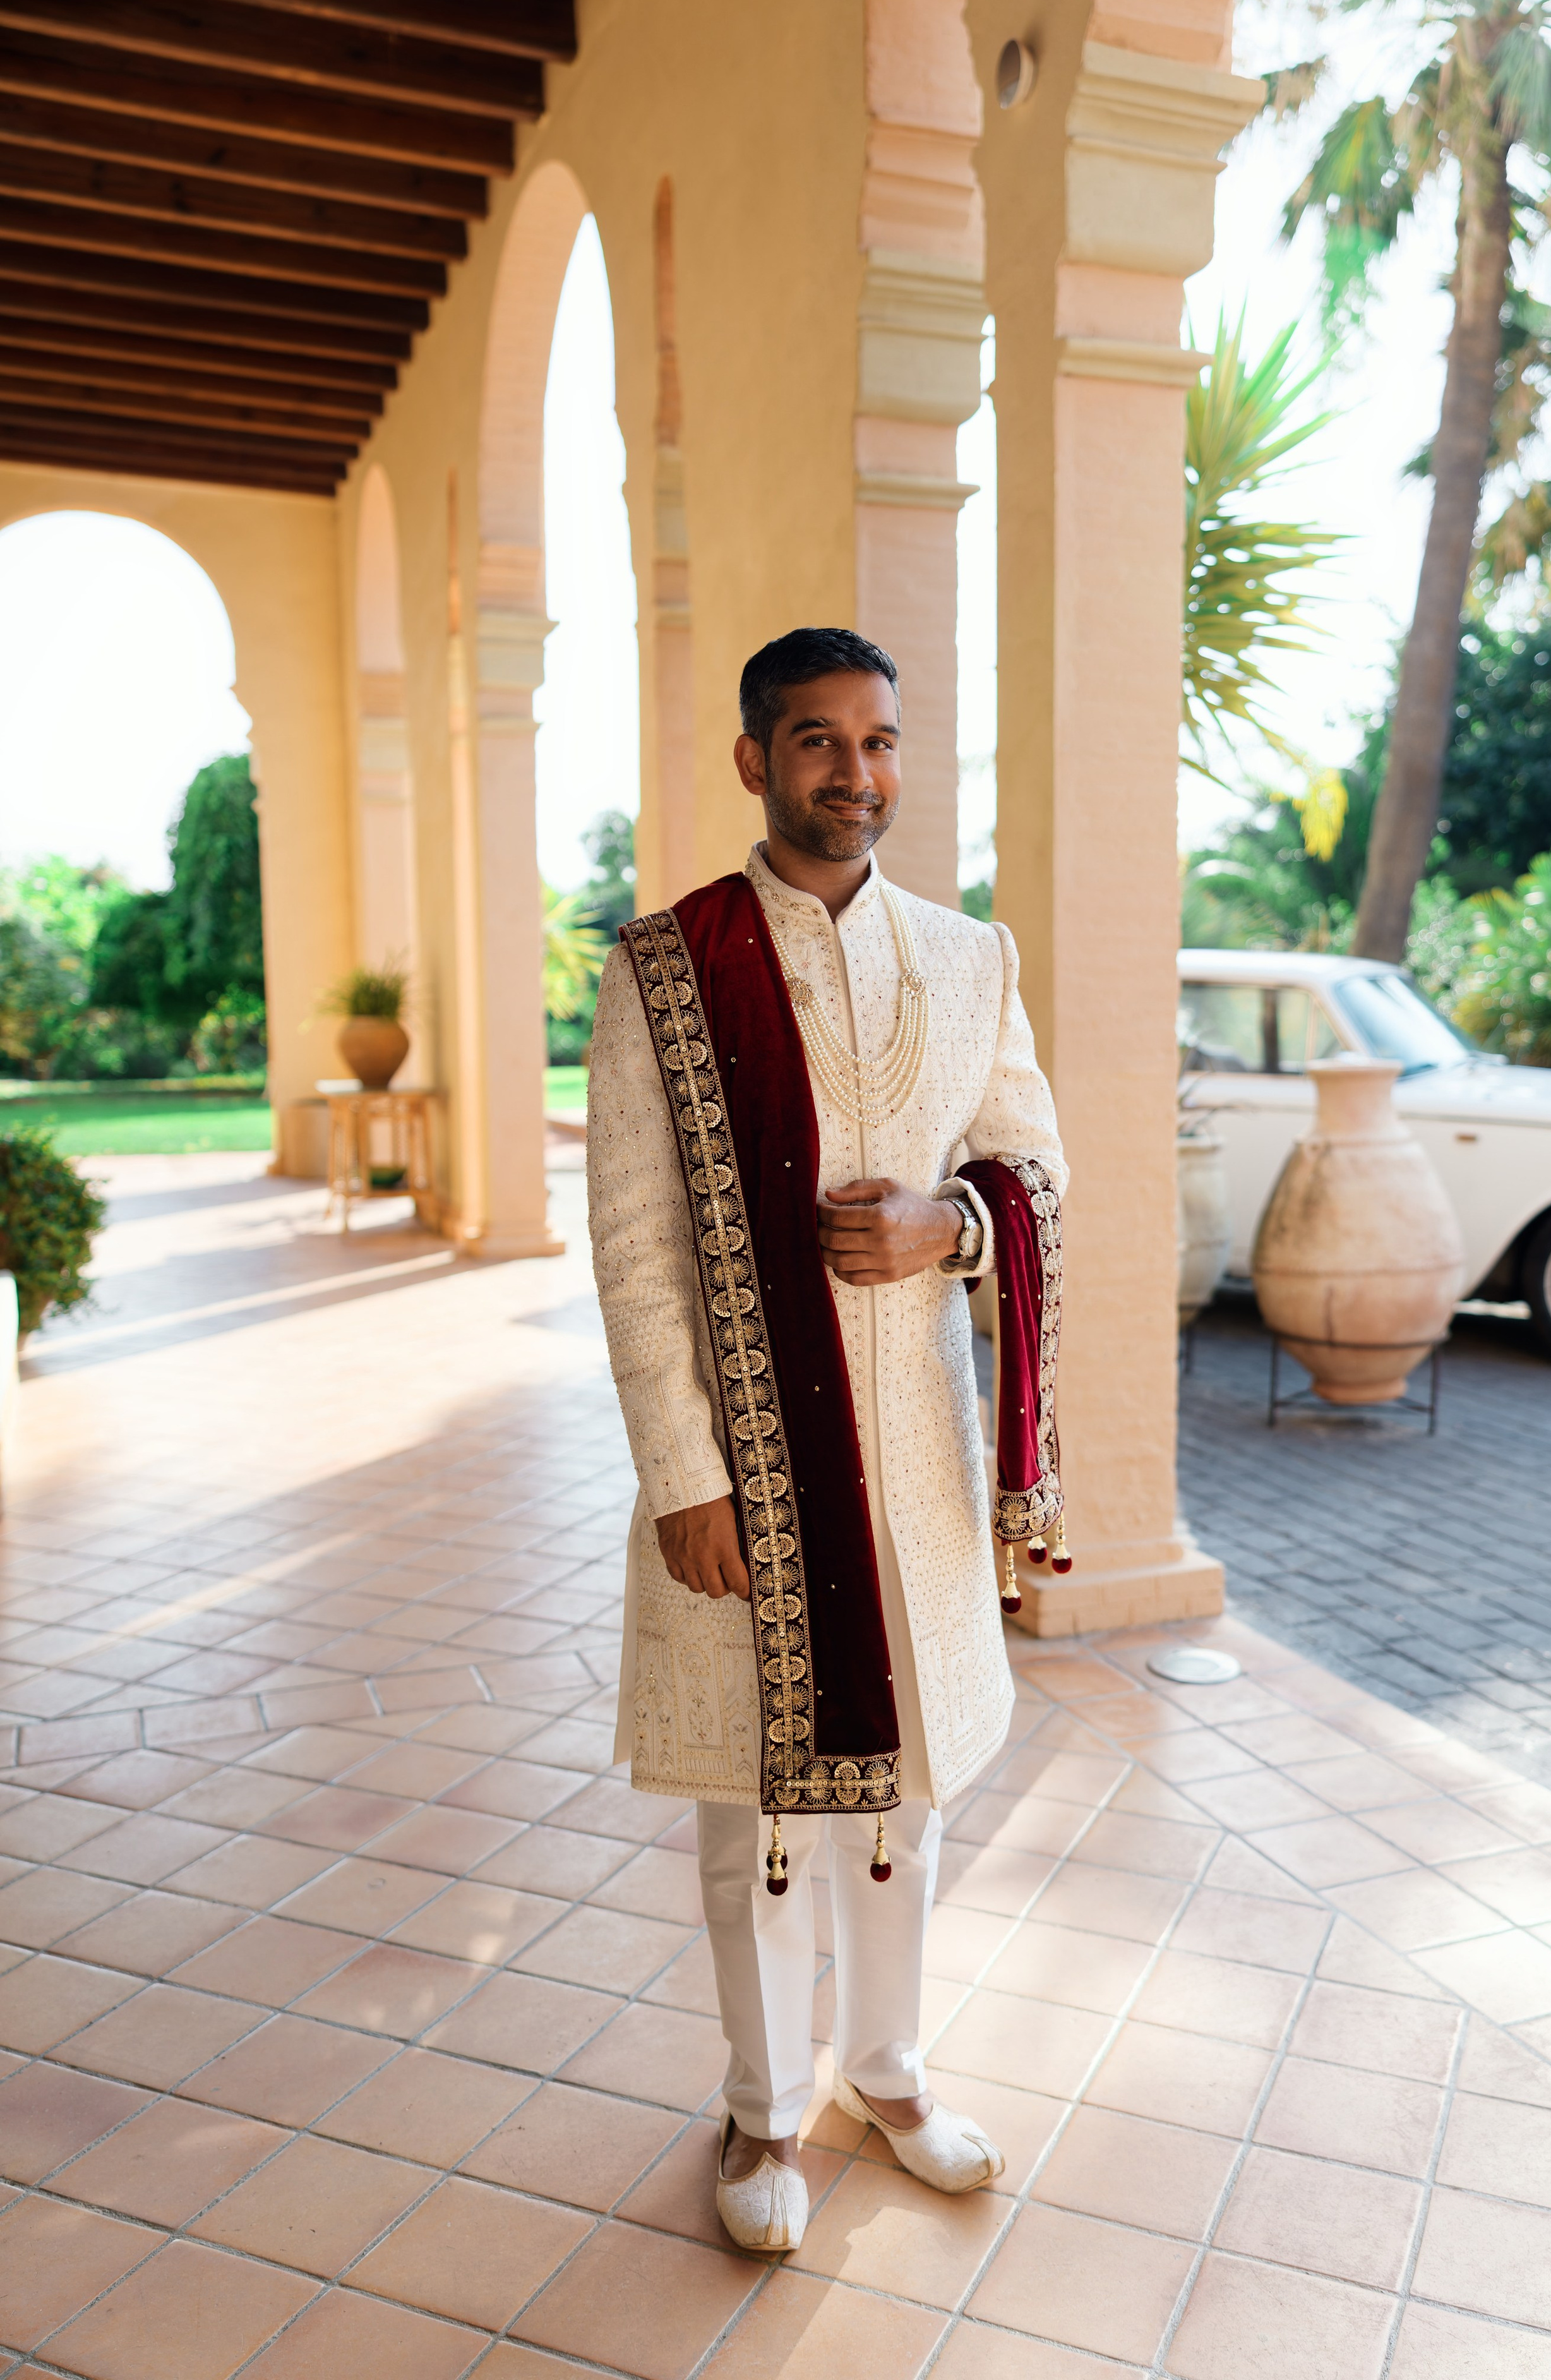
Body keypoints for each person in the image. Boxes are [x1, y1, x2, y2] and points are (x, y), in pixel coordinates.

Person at [587, 625, 1067, 2252]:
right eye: (814, 741)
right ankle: (759, 2111)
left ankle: (889, 2071)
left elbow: (1034, 1176)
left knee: (905, 1798)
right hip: (750, 1459)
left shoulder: (969, 956)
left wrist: (953, 1228)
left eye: (875, 742)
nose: (851, 774)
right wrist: (685, 1477)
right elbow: (636, 1239)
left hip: (916, 1450)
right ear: (753, 760)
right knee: (755, 1810)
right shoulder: (670, 963)